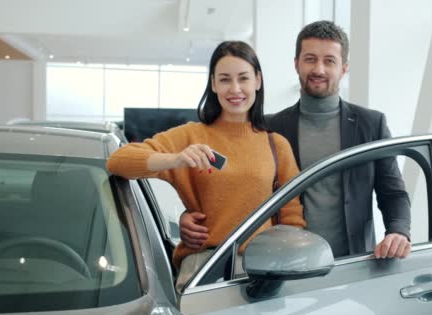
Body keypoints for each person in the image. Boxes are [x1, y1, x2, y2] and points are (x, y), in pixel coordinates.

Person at [180, 21, 412, 260]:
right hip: (284, 265)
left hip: (353, 264)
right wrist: (189, 216)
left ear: (344, 68)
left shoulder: (371, 124)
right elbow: (233, 186)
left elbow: (392, 192)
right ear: (296, 64)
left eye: (329, 61)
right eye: (310, 59)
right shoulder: (269, 129)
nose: (318, 69)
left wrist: (398, 231)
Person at [107, 41, 305, 292]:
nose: (235, 89)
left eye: (243, 78)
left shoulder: (276, 146)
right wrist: (176, 158)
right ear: (213, 84)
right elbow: (118, 161)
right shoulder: (191, 137)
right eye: (224, 80)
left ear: (258, 81)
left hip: (262, 272)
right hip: (203, 270)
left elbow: (292, 221)